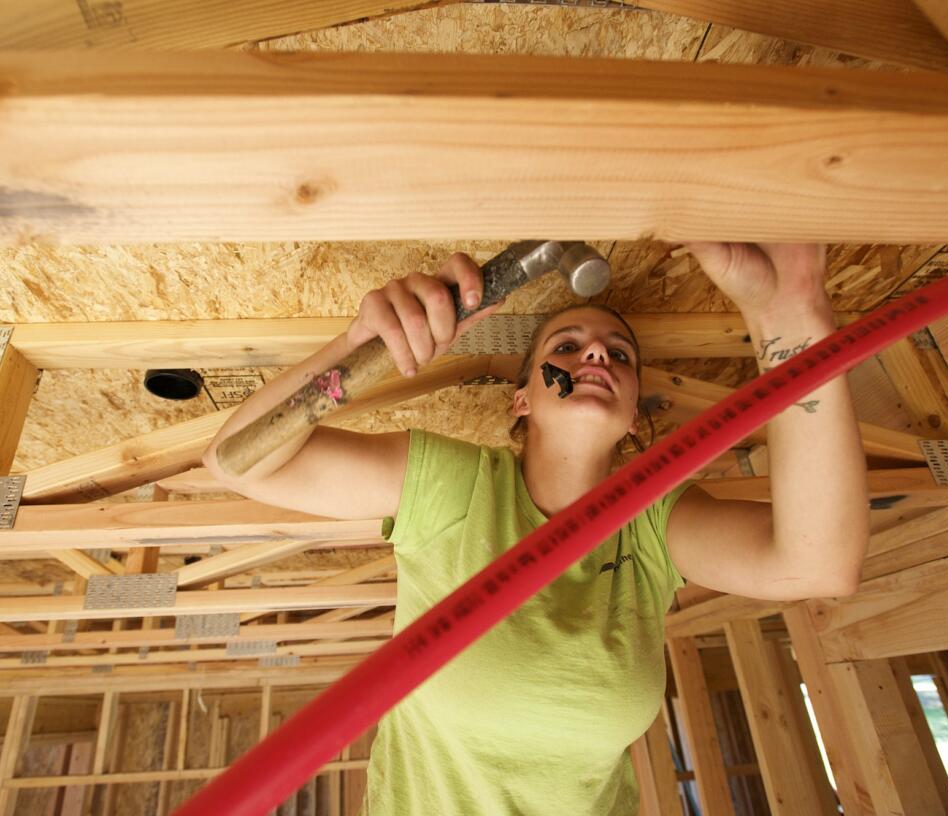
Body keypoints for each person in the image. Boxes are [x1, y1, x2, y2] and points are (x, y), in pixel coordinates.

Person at [202, 242, 869, 815]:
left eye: (619, 355)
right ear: (522, 398)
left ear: (636, 415)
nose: (597, 358)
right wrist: (358, 349)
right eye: (567, 347)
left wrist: (791, 317)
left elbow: (817, 563)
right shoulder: (455, 487)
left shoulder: (654, 522)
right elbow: (242, 466)